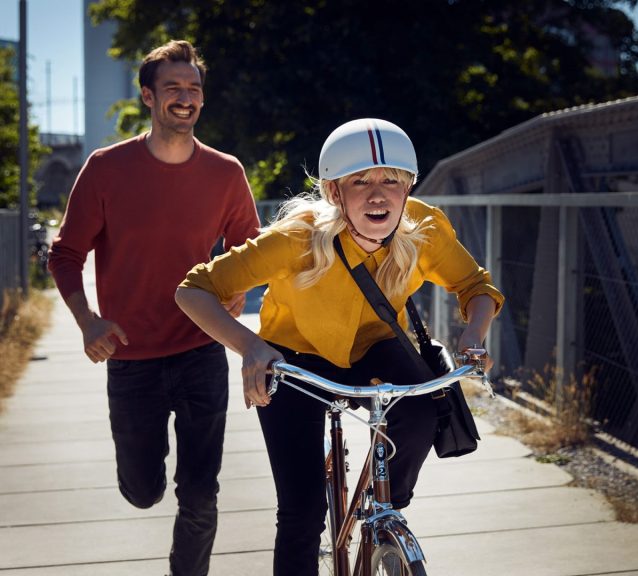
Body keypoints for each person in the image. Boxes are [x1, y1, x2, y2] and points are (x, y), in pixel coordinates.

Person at [175, 118, 504, 576]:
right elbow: (193, 290)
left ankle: (384, 510)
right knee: (302, 511)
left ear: (408, 187)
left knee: (422, 412)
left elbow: (474, 284)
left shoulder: (424, 227)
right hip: (293, 358)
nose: (378, 194)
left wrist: (474, 334)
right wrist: (249, 346)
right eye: (360, 181)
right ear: (334, 192)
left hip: (373, 345)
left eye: (392, 180)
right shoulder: (298, 238)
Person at [47, 40, 261, 576]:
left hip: (200, 351)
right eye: (173, 89)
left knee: (200, 493)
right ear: (148, 96)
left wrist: (238, 287)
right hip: (131, 356)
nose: (185, 98)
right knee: (142, 491)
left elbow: (250, 248)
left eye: (193, 89)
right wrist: (87, 320)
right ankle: (141, 481)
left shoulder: (225, 173)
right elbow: (67, 253)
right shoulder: (104, 169)